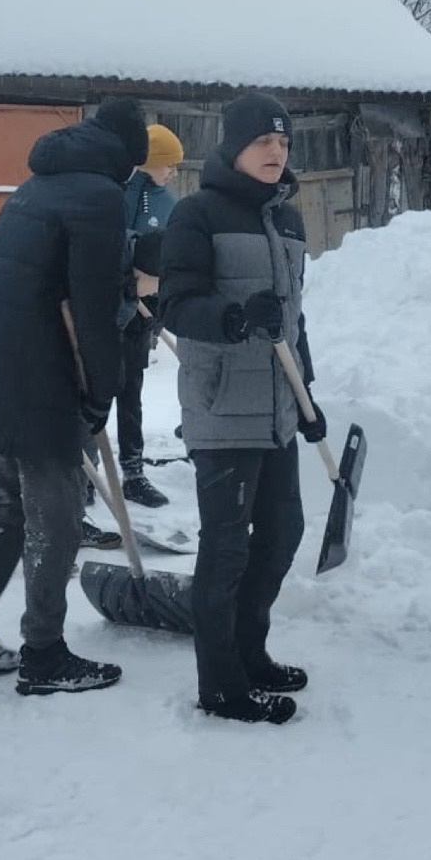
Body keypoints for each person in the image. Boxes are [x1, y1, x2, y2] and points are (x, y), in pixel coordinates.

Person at [0, 97, 149, 694]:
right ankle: (44, 653)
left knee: (12, 504)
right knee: (56, 515)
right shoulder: (100, 195)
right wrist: (102, 389)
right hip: (39, 379)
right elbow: (92, 305)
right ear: (128, 158)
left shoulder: (35, 185)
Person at [156, 92, 315, 726]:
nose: (276, 152)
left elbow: (295, 323)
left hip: (278, 407)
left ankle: (251, 652)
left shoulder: (290, 220)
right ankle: (219, 684)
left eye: (283, 142)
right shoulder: (197, 214)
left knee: (282, 536)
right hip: (222, 407)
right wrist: (235, 317)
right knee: (226, 549)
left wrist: (310, 396)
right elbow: (175, 304)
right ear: (234, 147)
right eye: (263, 142)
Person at [116, 125, 183, 505]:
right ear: (148, 163)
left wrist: (158, 306)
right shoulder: (121, 195)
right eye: (167, 164)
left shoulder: (169, 202)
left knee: (132, 392)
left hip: (143, 312)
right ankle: (86, 473)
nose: (172, 171)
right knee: (96, 392)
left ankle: (133, 469)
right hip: (113, 309)